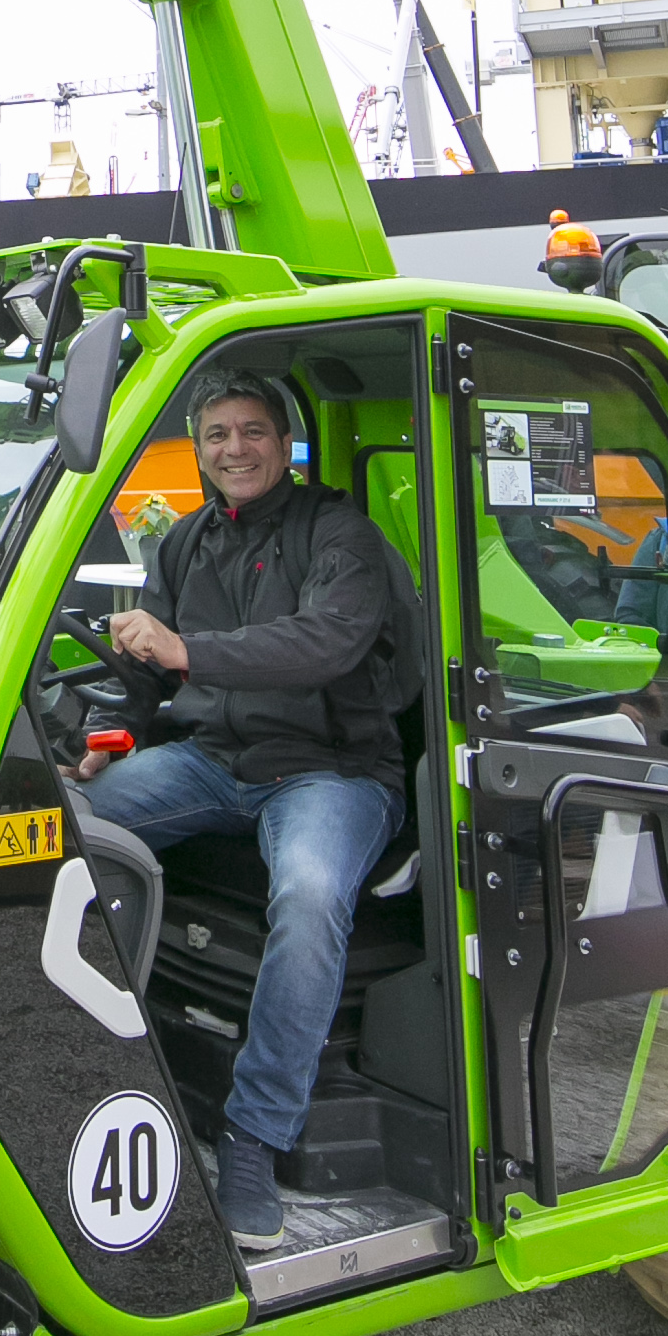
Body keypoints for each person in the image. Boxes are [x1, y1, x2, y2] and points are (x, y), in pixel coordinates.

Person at [78, 371, 414, 1253]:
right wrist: (107, 732)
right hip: (212, 761)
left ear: (285, 441)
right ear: (200, 447)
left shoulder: (340, 533)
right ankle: (99, 1061)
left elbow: (324, 642)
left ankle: (254, 1140)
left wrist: (189, 649)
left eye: (254, 431)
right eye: (219, 433)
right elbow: (145, 676)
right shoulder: (184, 543)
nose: (237, 448)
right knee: (61, 830)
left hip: (330, 773)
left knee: (308, 897)